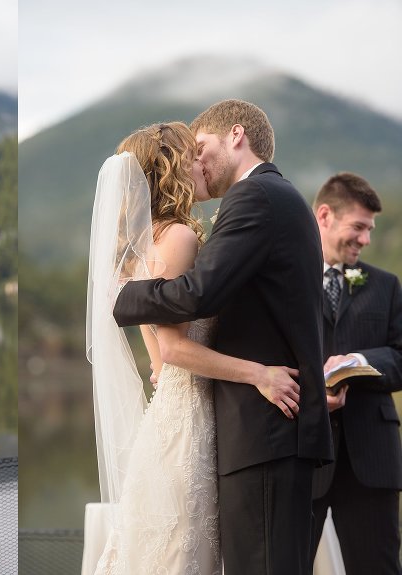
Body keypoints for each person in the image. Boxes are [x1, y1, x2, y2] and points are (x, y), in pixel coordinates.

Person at [113, 100, 334, 574]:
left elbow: (199, 294)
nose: (196, 163)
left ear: (236, 135)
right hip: (258, 430)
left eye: (203, 148)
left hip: (267, 429)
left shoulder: (256, 198)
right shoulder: (271, 198)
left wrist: (125, 298)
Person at [310, 172, 402, 574]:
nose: (365, 239)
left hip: (372, 458)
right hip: (304, 454)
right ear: (325, 216)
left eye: (370, 230)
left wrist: (359, 362)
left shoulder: (386, 286)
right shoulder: (287, 284)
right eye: (359, 227)